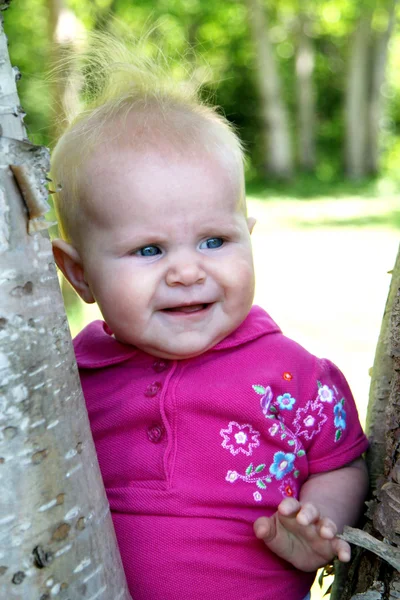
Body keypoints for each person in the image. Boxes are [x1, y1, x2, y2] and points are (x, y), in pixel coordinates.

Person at [51, 34, 369, 600]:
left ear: (248, 237)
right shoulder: (68, 378)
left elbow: (342, 461)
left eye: (214, 240)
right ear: (79, 275)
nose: (186, 271)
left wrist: (317, 524)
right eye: (149, 250)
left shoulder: (293, 374)